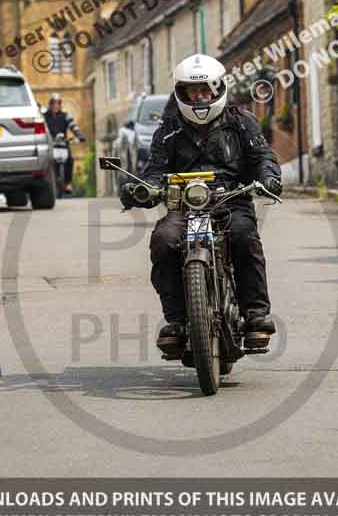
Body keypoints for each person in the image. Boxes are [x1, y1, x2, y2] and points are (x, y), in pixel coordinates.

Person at [120, 54, 282, 354]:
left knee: (244, 236)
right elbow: (155, 169)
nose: (201, 96)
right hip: (184, 205)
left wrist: (269, 178)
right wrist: (142, 188)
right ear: (181, 93)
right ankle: (178, 321)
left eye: (206, 89)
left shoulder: (241, 122)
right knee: (164, 240)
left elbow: (262, 156)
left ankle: (256, 314)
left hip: (231, 199)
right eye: (193, 91)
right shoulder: (168, 129)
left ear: (218, 89)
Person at [44, 94, 85, 194]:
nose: (55, 105)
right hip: (50, 145)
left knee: (70, 160)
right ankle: (48, 183)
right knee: (48, 163)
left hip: (63, 145)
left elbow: (73, 126)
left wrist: (79, 135)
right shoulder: (44, 117)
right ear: (50, 104)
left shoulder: (65, 116)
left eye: (58, 103)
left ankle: (68, 183)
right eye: (53, 103)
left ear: (60, 105)